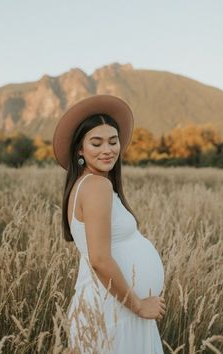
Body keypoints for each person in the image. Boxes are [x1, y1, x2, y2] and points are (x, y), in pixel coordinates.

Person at [52, 94, 166, 353]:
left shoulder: (88, 184)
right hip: (116, 311)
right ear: (80, 149)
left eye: (113, 142)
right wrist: (138, 305)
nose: (108, 149)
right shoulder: (96, 185)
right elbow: (100, 259)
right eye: (96, 142)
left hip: (117, 308)